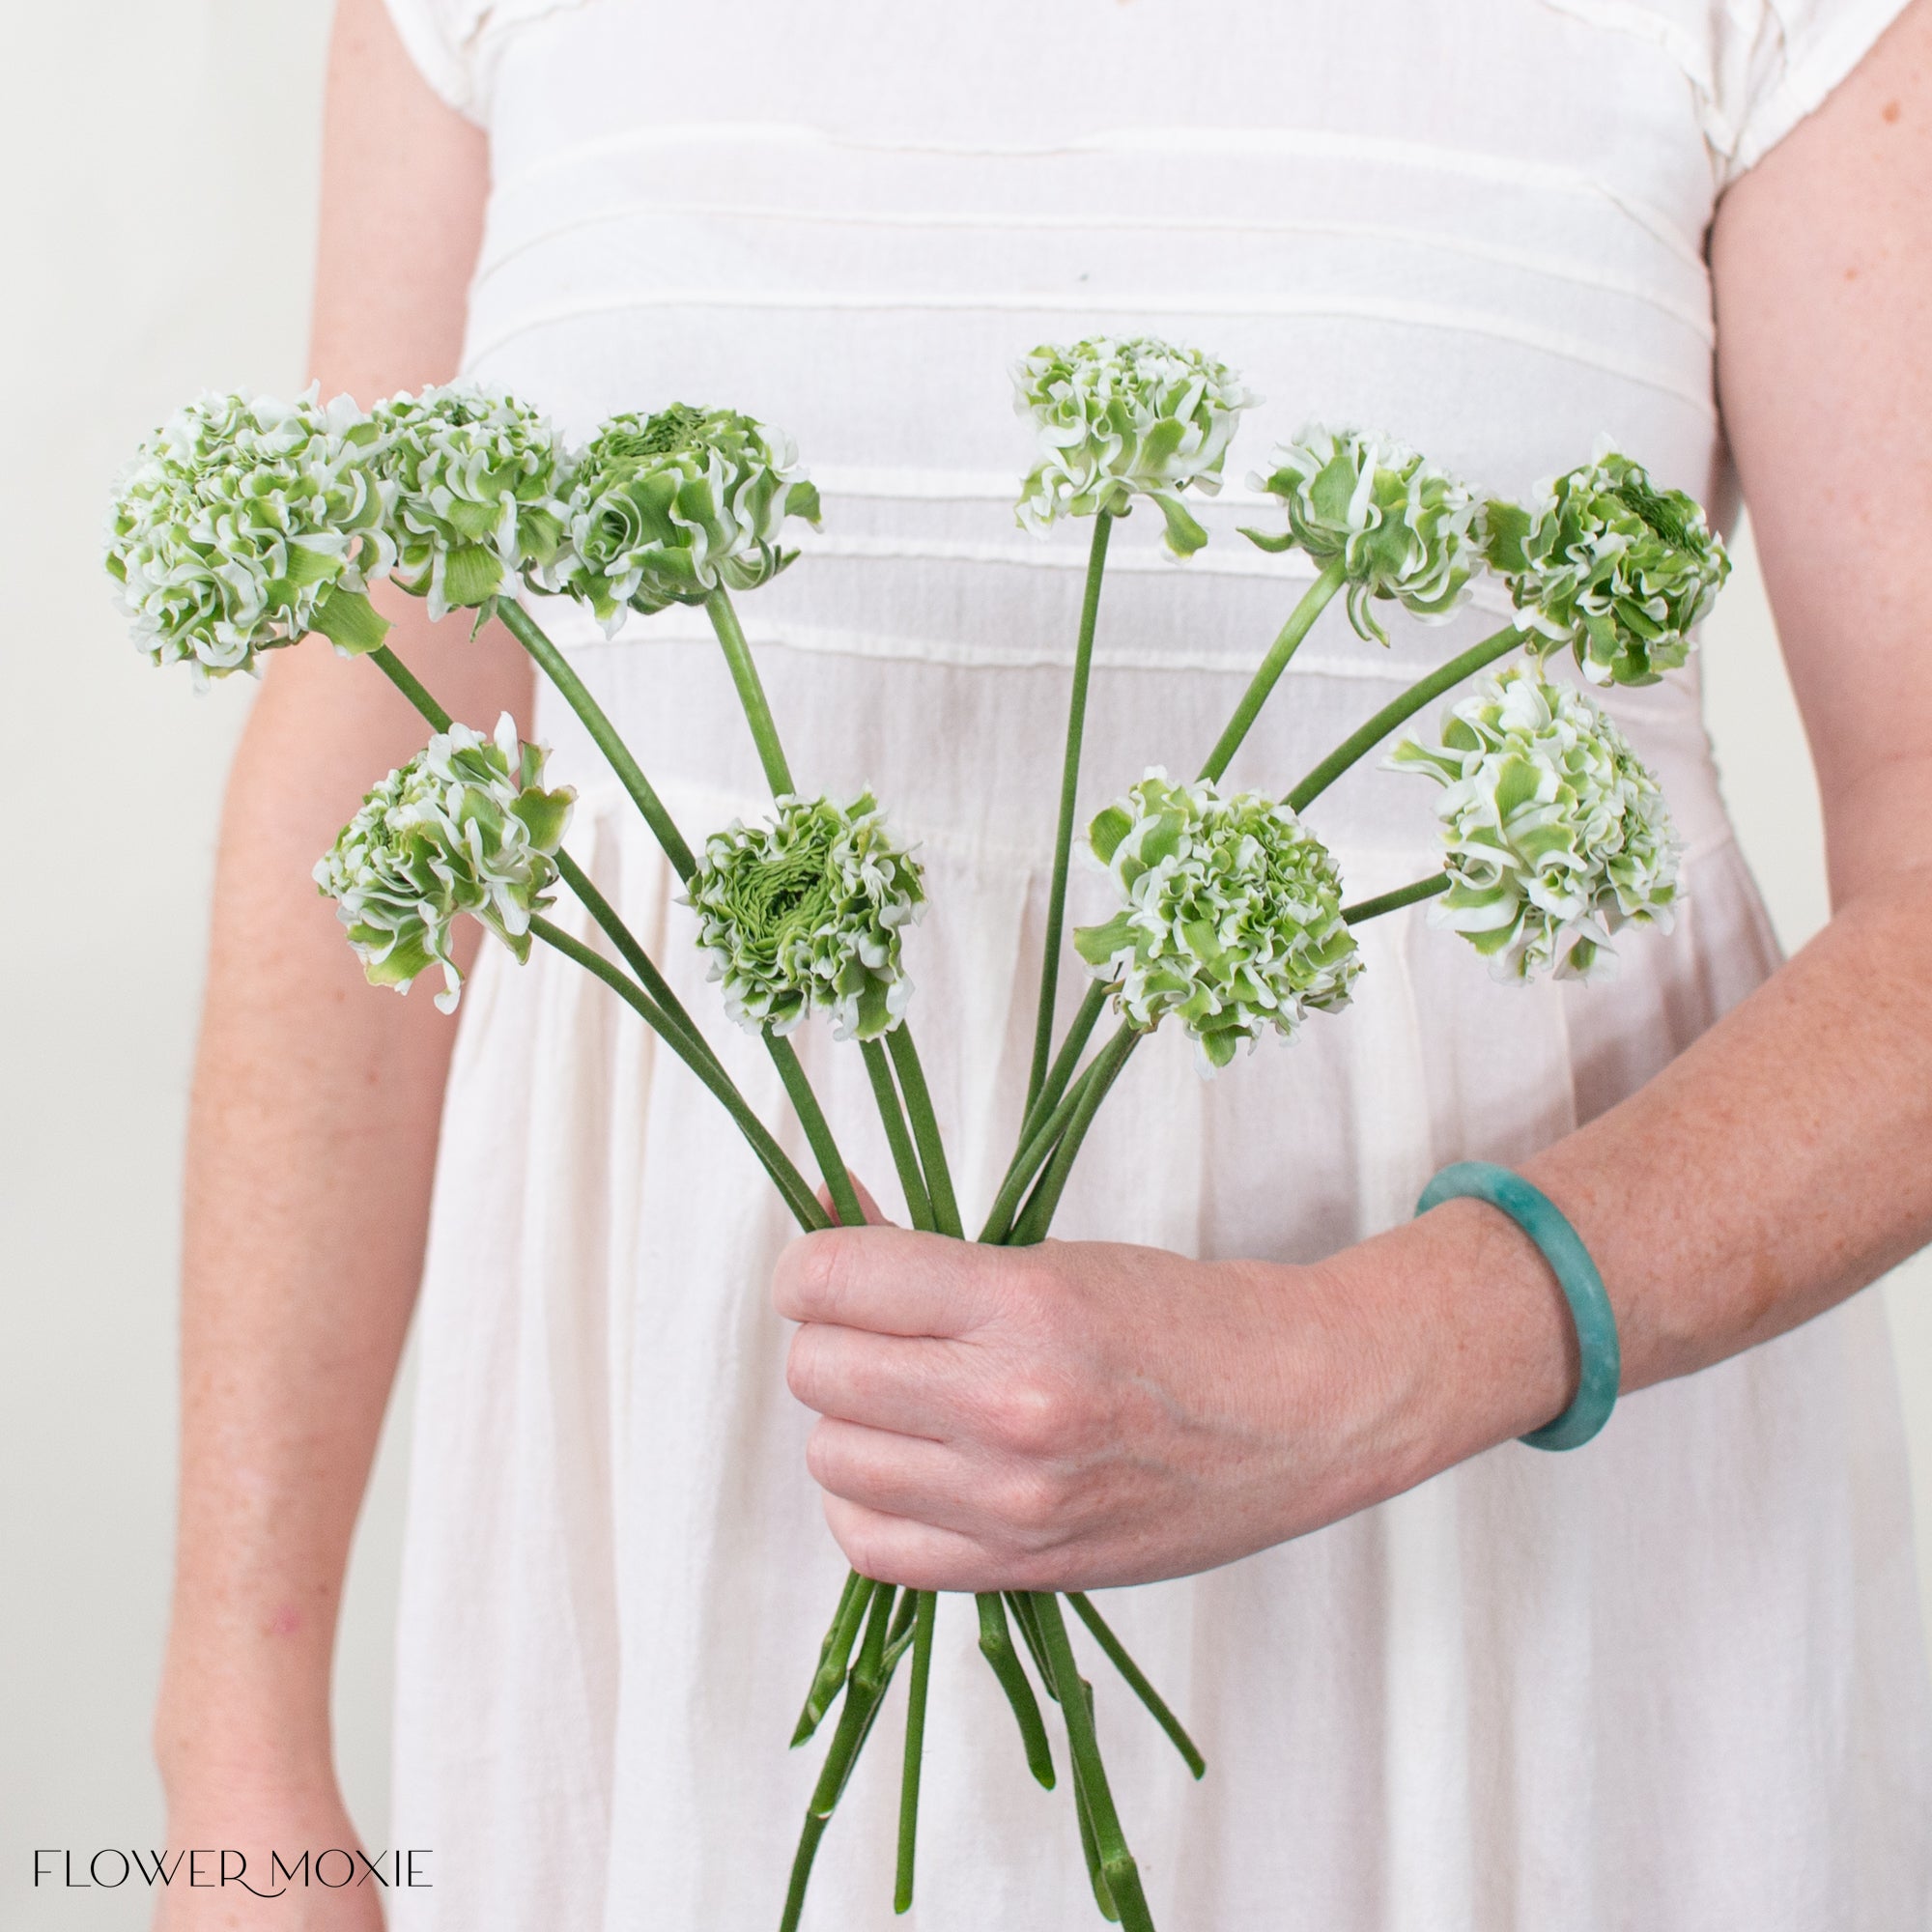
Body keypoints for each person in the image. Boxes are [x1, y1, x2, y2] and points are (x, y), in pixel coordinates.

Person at [155, 0, 1932, 1925]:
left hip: (1500, 1580)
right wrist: (238, 1754)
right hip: (681, 1577)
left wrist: (1387, 1349)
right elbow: (379, 735)